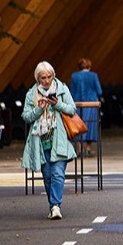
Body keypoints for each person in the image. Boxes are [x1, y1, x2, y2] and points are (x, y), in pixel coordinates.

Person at [21, 61, 78, 220]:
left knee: (58, 173)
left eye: (49, 77)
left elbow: (72, 109)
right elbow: (26, 116)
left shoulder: (61, 89)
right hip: (40, 141)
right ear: (37, 78)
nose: (46, 81)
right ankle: (52, 205)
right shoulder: (31, 94)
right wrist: (39, 109)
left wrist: (58, 104)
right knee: (47, 176)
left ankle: (55, 206)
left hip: (58, 138)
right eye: (43, 78)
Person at [68, 57, 103, 157]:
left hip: (77, 104)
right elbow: (99, 91)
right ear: (89, 66)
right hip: (91, 105)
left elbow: (72, 91)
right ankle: (88, 149)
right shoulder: (93, 76)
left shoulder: (74, 76)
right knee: (90, 126)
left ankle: (79, 149)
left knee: (78, 126)